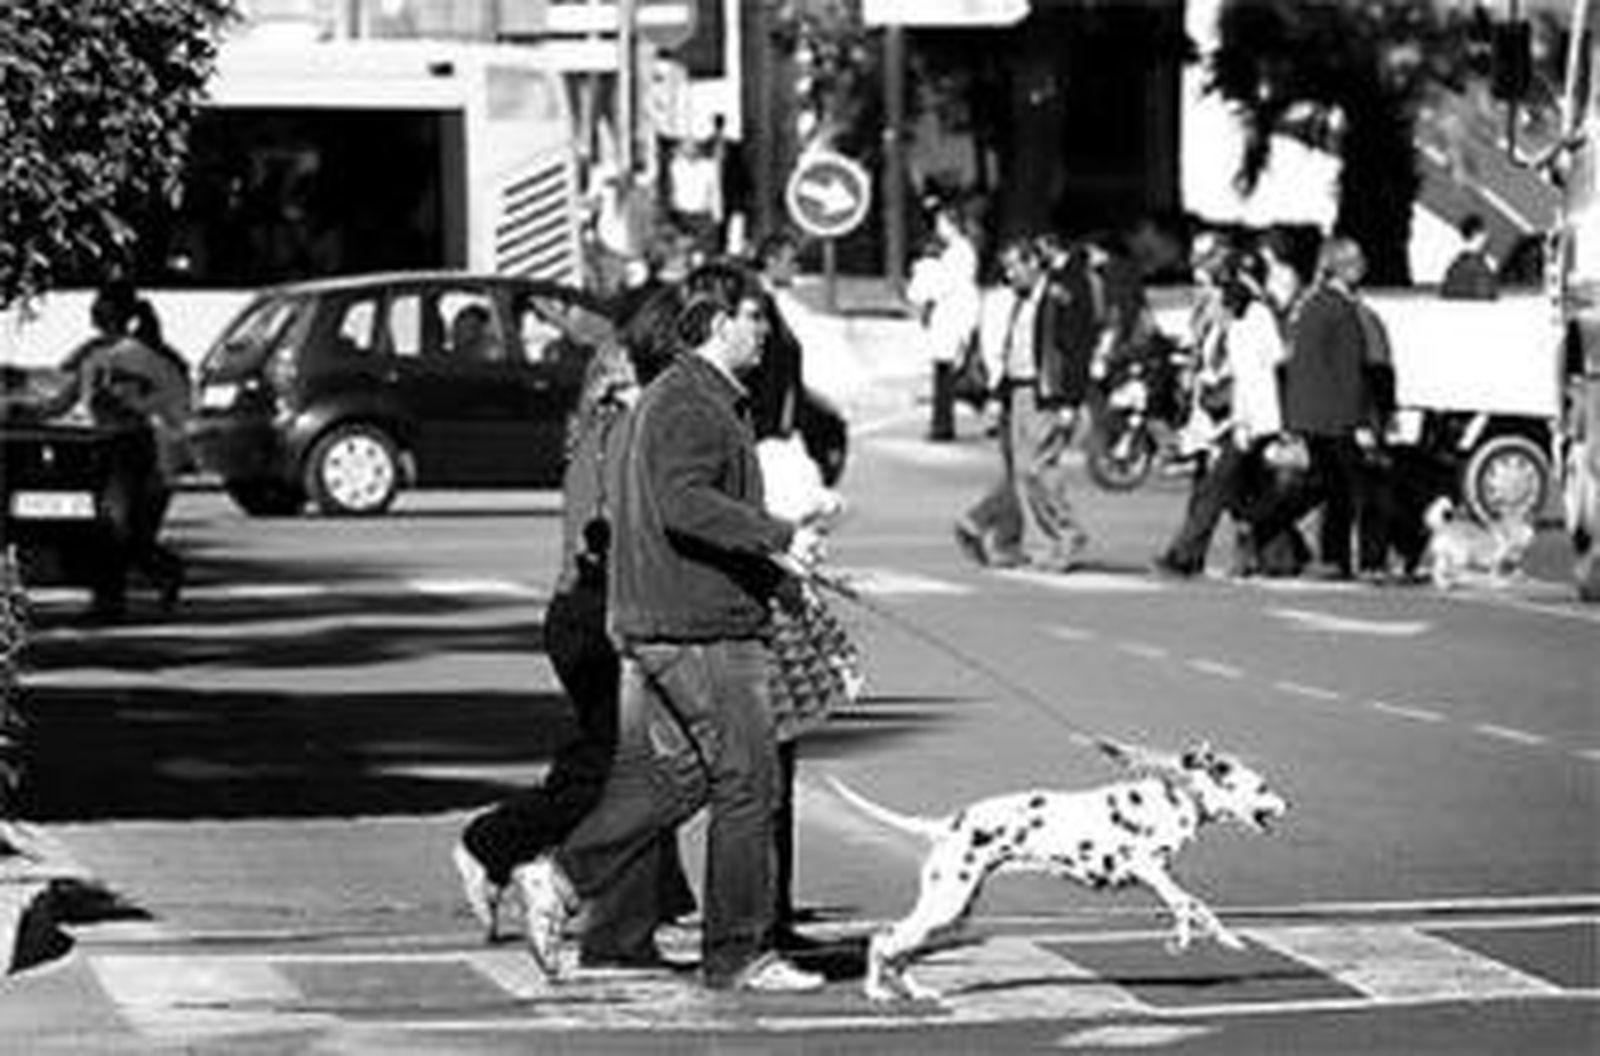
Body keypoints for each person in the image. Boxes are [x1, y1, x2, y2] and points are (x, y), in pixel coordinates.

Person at [517, 262, 828, 993]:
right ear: (718, 322)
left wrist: (775, 573)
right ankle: (740, 953)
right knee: (750, 784)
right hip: (698, 626)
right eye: (755, 318)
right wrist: (776, 533)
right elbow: (683, 504)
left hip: (679, 615)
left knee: (677, 782)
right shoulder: (693, 402)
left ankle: (560, 877)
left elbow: (679, 513)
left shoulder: (697, 396)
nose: (765, 332)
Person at [453, 285, 695, 968]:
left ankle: (636, 909)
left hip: (586, 612)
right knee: (627, 770)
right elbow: (623, 532)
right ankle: (509, 850)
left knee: (612, 758)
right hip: (603, 615)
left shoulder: (600, 422)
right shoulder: (621, 431)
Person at [954, 236, 1092, 571]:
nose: (1010, 275)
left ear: (1033, 264)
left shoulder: (1059, 296)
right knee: (1020, 470)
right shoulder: (1019, 299)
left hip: (1044, 392)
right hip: (1016, 392)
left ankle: (1066, 536)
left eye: (1015, 267)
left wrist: (1070, 401)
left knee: (1037, 469)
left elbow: (1075, 349)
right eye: (1006, 270)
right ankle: (1003, 536)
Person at [1244, 235, 1377, 581]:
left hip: (1310, 412)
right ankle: (1333, 557)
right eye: (1356, 261)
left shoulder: (1313, 304)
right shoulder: (1340, 310)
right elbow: (1348, 371)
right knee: (1344, 490)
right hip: (1333, 416)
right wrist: (1359, 420)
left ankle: (1264, 523)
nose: (1361, 267)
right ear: (1343, 267)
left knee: (1320, 485)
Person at [1154, 248, 1286, 576]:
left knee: (1215, 489)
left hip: (1242, 418)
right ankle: (1281, 555)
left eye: (1203, 283)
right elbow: (1206, 363)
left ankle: (1183, 557)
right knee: (1243, 494)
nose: (1198, 290)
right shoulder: (1210, 317)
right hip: (1213, 418)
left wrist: (1245, 423)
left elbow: (1260, 370)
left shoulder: (1251, 316)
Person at [905, 202, 981, 441]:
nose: (938, 229)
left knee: (947, 375)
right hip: (949, 319)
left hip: (954, 318)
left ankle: (943, 425)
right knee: (944, 373)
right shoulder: (954, 251)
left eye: (941, 224)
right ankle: (942, 422)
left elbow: (946, 285)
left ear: (952, 225)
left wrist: (927, 276)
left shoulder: (960, 252)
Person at [1439, 214, 1499, 301]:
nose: (1487, 238)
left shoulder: (1454, 267)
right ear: (1478, 235)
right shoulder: (1479, 269)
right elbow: (1484, 297)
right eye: (1484, 233)